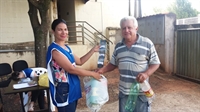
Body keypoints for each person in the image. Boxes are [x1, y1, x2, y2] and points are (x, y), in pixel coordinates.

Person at [96, 16, 160, 112]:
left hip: (141, 93)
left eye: (129, 27)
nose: (126, 30)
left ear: (136, 28)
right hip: (124, 93)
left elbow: (155, 63)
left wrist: (146, 74)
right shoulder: (118, 46)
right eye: (123, 28)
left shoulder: (147, 43)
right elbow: (113, 64)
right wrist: (102, 70)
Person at [46, 18, 101, 112]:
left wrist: (93, 50)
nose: (64, 32)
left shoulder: (67, 48)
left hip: (73, 87)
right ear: (53, 31)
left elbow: (80, 61)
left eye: (65, 29)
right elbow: (72, 69)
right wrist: (92, 74)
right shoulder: (55, 50)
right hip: (64, 90)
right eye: (60, 29)